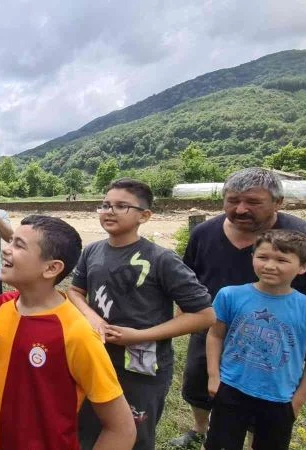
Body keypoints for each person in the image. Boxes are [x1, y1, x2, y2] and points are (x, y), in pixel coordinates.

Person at [67, 179, 215, 450]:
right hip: (97, 357)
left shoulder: (161, 259)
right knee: (88, 428)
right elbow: (75, 291)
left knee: (135, 435)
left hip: (142, 368)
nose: (109, 211)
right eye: (105, 205)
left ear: (144, 216)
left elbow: (204, 315)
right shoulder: (92, 251)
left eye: (121, 206)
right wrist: (92, 317)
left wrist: (139, 335)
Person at [0, 215, 135, 450]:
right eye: (11, 241)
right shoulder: (3, 305)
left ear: (51, 268)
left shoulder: (78, 334)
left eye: (19, 245)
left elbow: (122, 429)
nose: (6, 249)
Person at [170, 167, 306, 449]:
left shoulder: (300, 235)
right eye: (233, 200)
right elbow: (189, 276)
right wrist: (185, 314)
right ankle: (200, 428)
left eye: (253, 202)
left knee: (264, 394)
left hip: (274, 331)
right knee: (199, 383)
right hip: (213, 325)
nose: (241, 209)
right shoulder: (204, 233)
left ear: (278, 203)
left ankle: (257, 436)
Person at [203, 230, 306, 450]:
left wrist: (298, 401)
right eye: (263, 257)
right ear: (252, 258)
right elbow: (215, 335)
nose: (270, 265)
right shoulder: (230, 295)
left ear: (302, 267)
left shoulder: (305, 308)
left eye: (281, 260)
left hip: (280, 398)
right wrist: (214, 376)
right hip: (231, 388)